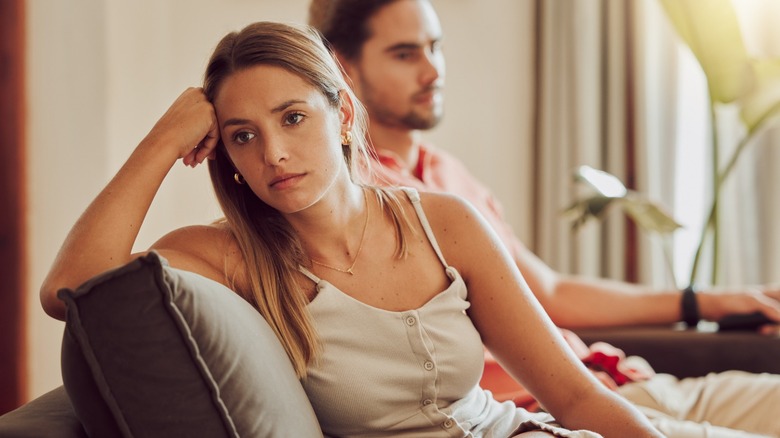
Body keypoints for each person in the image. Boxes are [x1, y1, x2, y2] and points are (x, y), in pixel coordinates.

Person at [39, 21, 664, 438]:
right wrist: (161, 140)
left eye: (292, 118)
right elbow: (69, 288)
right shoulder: (226, 256)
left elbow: (575, 398)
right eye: (243, 136)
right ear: (222, 152)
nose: (274, 154)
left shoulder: (443, 222)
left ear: (341, 115)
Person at [308, 0, 780, 437]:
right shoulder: (357, 204)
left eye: (435, 47)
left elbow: (548, 291)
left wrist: (704, 302)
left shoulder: (447, 173)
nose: (433, 70)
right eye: (405, 54)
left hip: (621, 382)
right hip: (549, 410)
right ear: (341, 67)